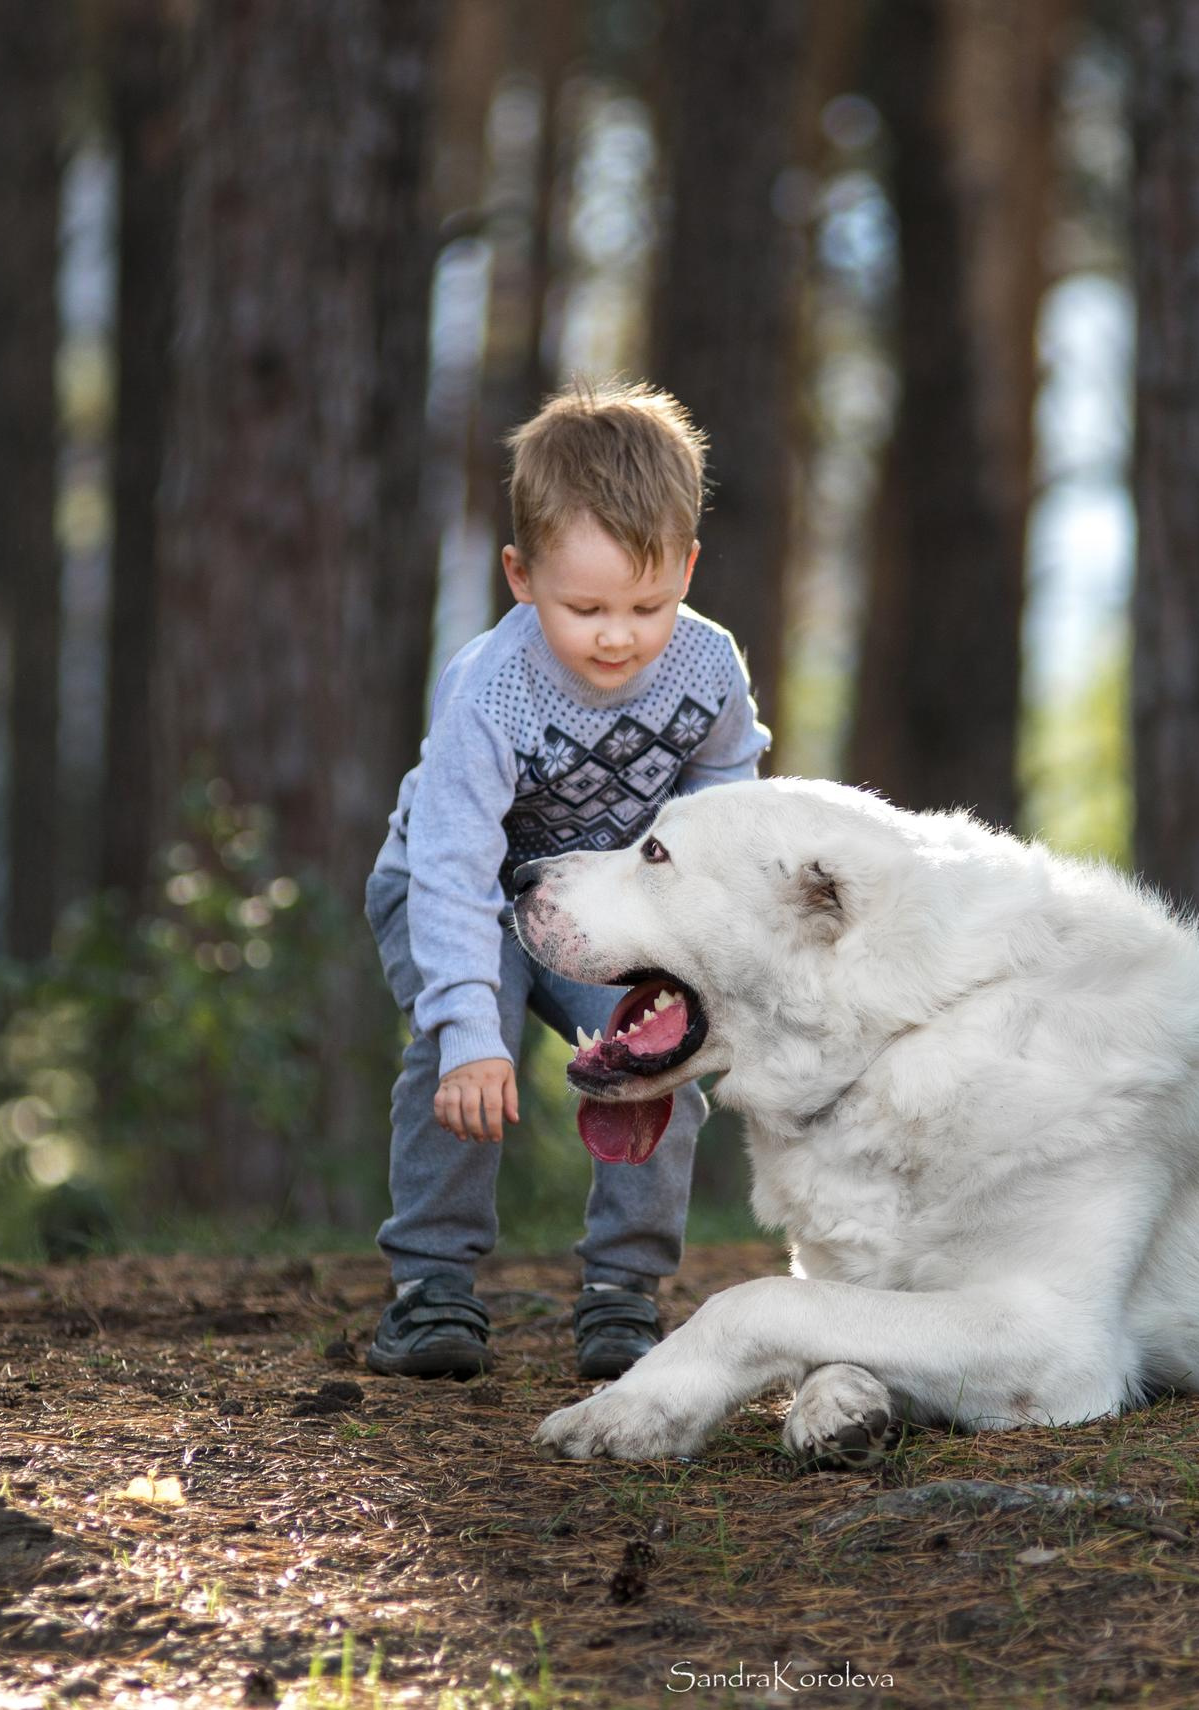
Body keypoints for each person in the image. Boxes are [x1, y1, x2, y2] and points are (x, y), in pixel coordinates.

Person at [362, 380, 769, 1381]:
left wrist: (702, 956)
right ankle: (431, 1288)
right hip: (455, 894)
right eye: (581, 607)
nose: (617, 636)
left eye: (648, 603)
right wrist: (463, 1028)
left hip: (598, 911)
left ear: (687, 567)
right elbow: (454, 865)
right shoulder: (489, 691)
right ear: (519, 574)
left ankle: (622, 1293)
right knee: (470, 1058)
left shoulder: (708, 666)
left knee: (658, 1060)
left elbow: (726, 802)